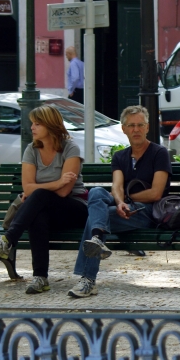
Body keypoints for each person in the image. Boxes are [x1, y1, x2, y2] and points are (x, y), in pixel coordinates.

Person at [0, 104, 88, 294]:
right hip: (46, 211)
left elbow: (64, 192)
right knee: (37, 216)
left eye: (37, 124)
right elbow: (27, 188)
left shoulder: (70, 148)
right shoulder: (31, 149)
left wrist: (42, 189)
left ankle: (7, 241)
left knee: (39, 196)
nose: (32, 128)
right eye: (32, 123)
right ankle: (40, 277)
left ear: (51, 125)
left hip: (74, 209)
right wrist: (57, 182)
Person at [68, 105, 171, 298]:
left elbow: (156, 193)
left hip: (146, 212)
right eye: (131, 125)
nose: (136, 129)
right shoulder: (120, 156)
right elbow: (117, 186)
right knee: (96, 192)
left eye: (140, 125)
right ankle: (97, 239)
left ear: (147, 127)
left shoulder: (159, 153)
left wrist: (126, 200)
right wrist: (120, 202)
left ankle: (88, 278)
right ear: (124, 129)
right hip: (124, 208)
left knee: (95, 218)